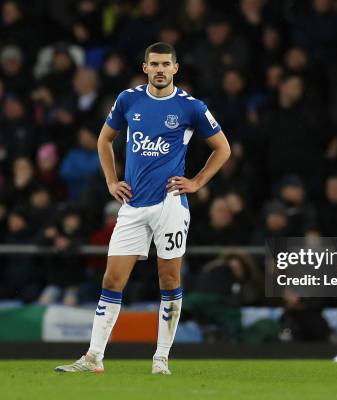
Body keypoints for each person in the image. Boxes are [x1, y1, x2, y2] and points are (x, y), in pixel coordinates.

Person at [55, 42, 230, 374]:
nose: (161, 69)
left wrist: (197, 181)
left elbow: (223, 148)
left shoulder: (191, 107)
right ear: (146, 67)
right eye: (155, 64)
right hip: (133, 205)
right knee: (112, 278)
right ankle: (94, 357)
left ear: (176, 68)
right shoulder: (128, 99)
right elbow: (103, 140)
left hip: (170, 205)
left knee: (168, 278)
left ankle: (161, 358)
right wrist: (111, 181)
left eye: (166, 64)